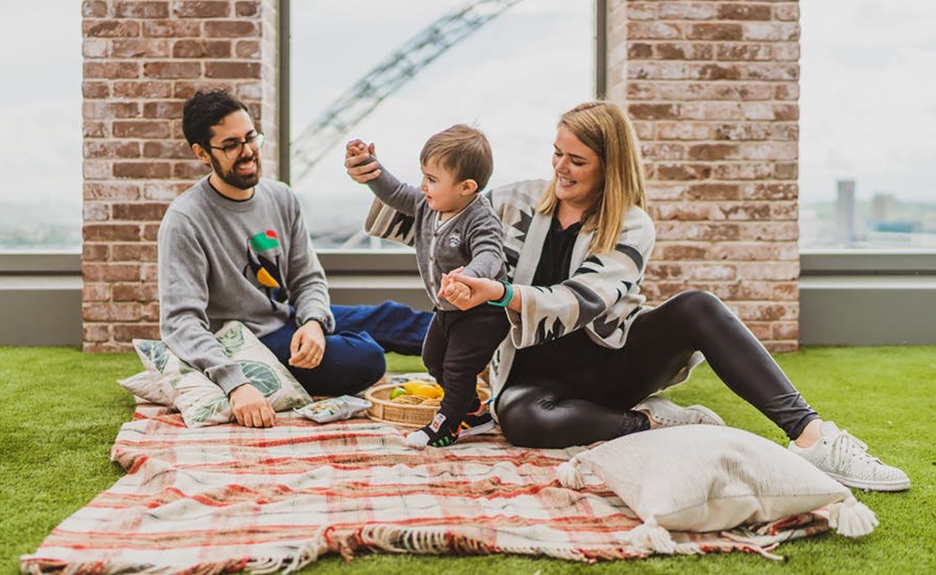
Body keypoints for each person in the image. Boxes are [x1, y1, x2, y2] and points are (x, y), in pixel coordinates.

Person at [347, 101, 910, 492]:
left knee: (697, 305)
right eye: (556, 153)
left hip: (612, 361)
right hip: (533, 374)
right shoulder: (513, 201)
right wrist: (375, 177)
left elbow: (583, 299)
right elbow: (433, 220)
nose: (559, 168)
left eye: (576, 159)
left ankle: (813, 437)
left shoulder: (632, 225)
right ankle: (654, 425)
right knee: (520, 420)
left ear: (608, 165)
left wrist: (497, 291)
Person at [157, 89, 432, 428]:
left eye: (250, 138)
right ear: (202, 153)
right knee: (367, 358)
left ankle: (485, 350)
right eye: (231, 145)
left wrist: (314, 322)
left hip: (288, 317)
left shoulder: (281, 196)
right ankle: (337, 347)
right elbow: (179, 322)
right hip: (249, 339)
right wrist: (236, 384)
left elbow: (307, 278)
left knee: (392, 317)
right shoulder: (185, 220)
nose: (247, 152)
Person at [345, 125, 509, 448]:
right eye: (424, 176)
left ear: (467, 187)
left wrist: (469, 278)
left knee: (458, 367)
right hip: (446, 308)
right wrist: (371, 166)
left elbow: (490, 253)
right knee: (433, 358)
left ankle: (447, 424)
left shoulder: (479, 218)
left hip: (482, 311)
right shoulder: (426, 204)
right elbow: (394, 192)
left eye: (432, 179)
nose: (423, 185)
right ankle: (474, 412)